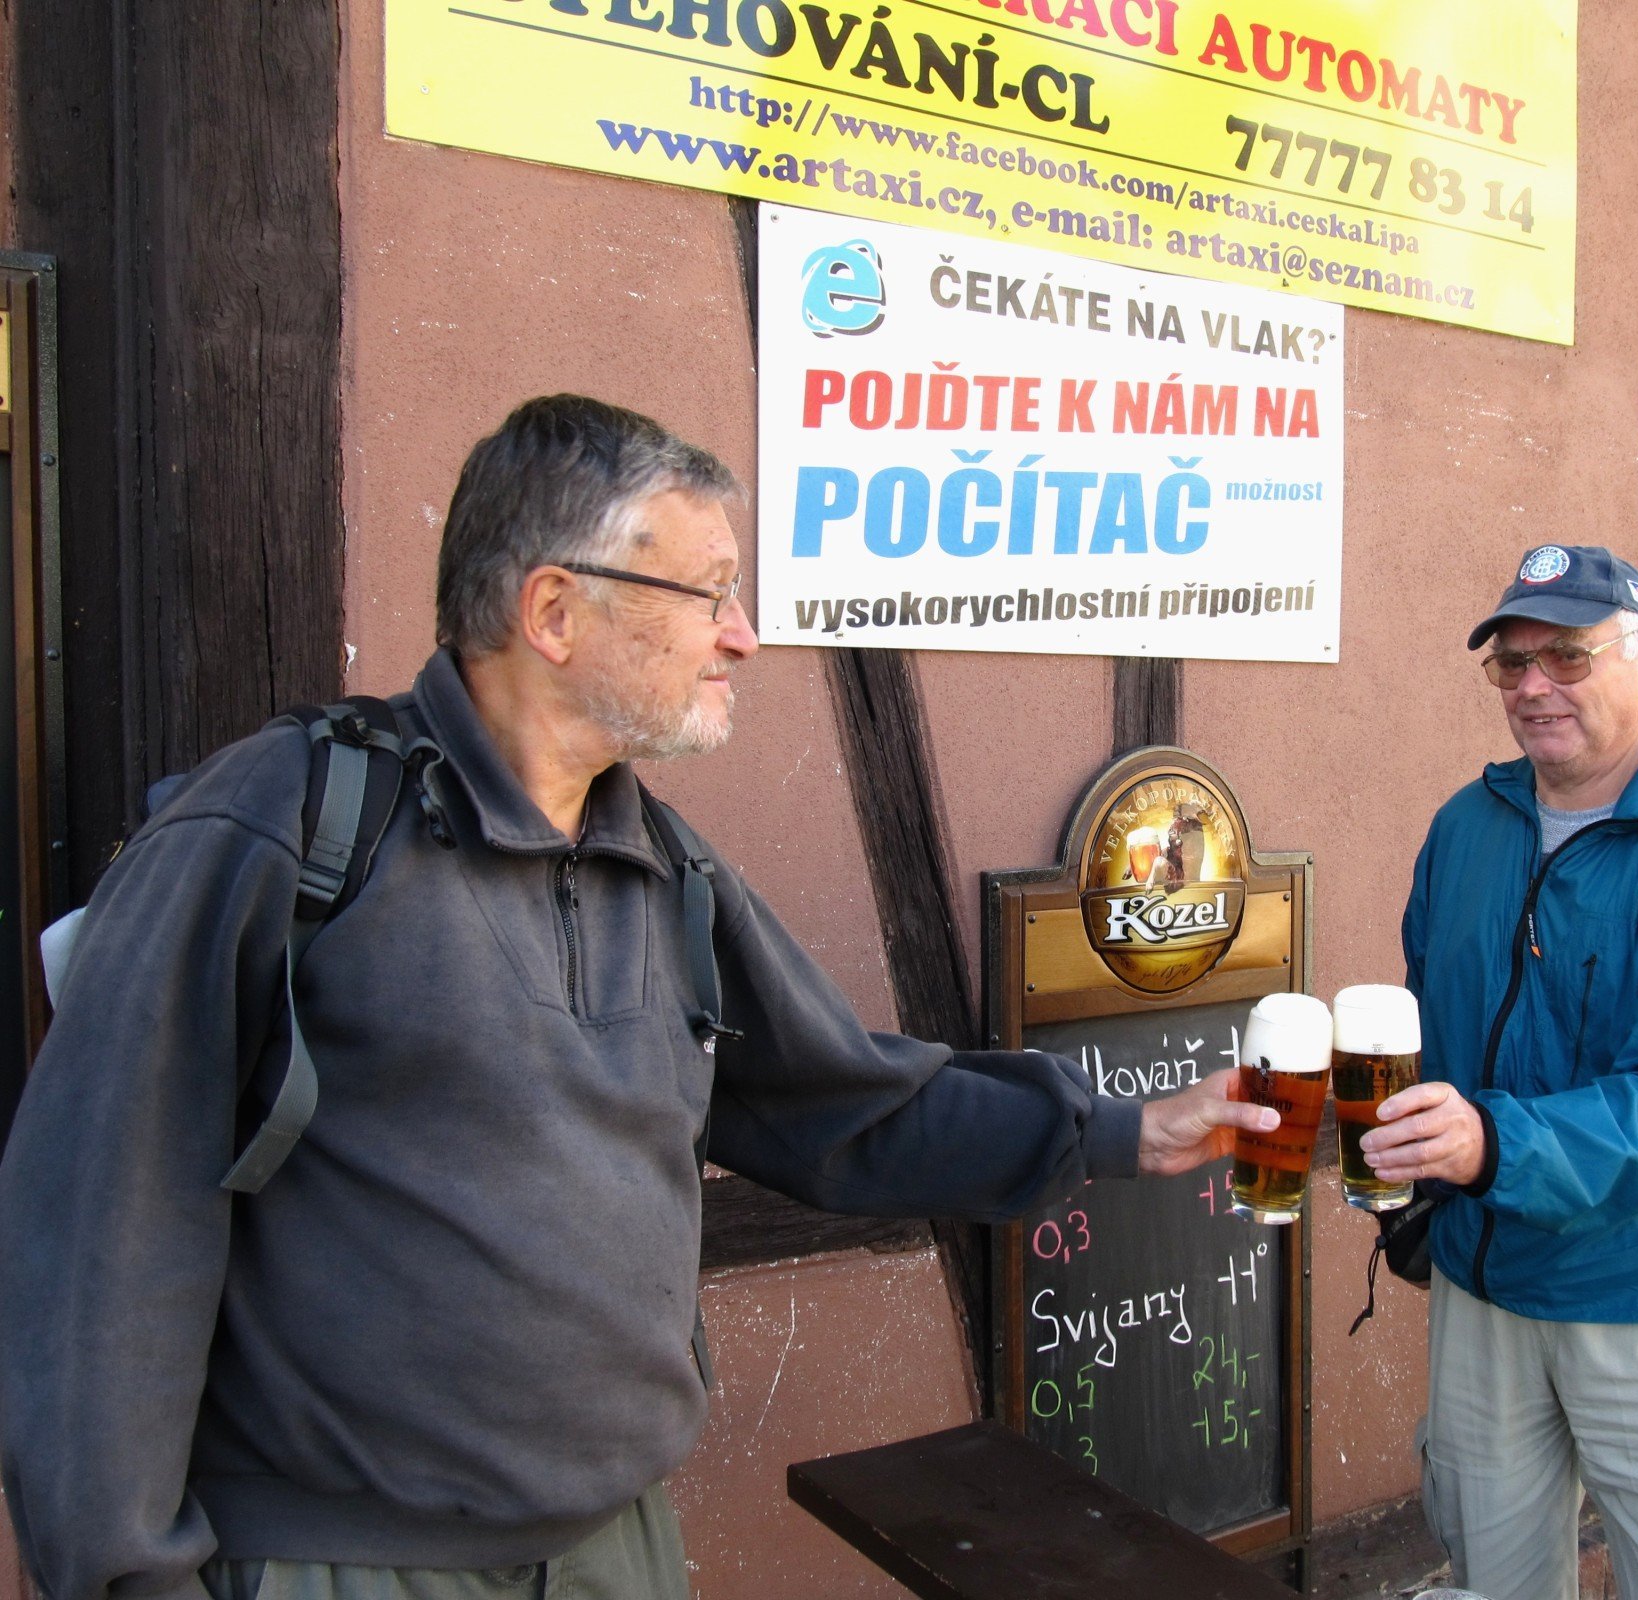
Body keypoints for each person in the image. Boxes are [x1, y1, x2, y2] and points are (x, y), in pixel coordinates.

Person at [0, 395, 1270, 1600]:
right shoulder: (284, 829)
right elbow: (101, 1231)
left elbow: (845, 1108)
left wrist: (1122, 1130)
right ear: (553, 609)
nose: (744, 632)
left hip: (616, 1549)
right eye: (711, 591)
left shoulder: (663, 867)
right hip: (345, 1561)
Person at [1359, 544, 1638, 1599]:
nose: (1535, 685)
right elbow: (1430, 1030)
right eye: (1512, 664)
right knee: (1493, 1580)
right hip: (1488, 1283)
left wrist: (1489, 1142)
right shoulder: (1464, 828)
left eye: (1568, 655)